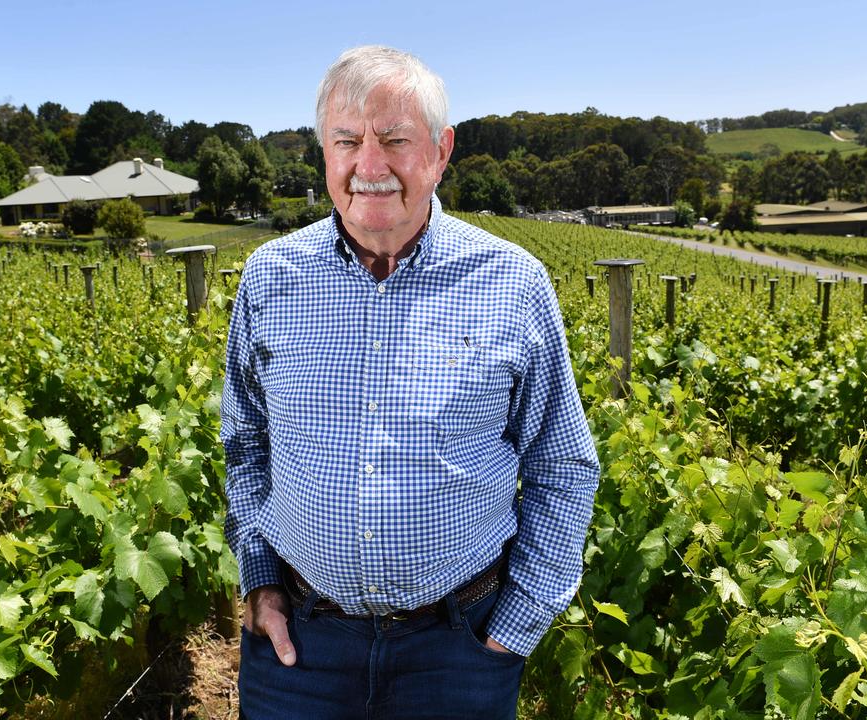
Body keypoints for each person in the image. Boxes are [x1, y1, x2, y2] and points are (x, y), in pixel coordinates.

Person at [220, 45, 599, 719]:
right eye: (347, 142)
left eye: (394, 140)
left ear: (441, 149)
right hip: (298, 649)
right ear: (325, 153)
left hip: (459, 651)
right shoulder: (269, 278)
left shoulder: (512, 284)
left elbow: (563, 466)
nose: (370, 167)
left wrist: (511, 631)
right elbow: (245, 443)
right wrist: (260, 580)